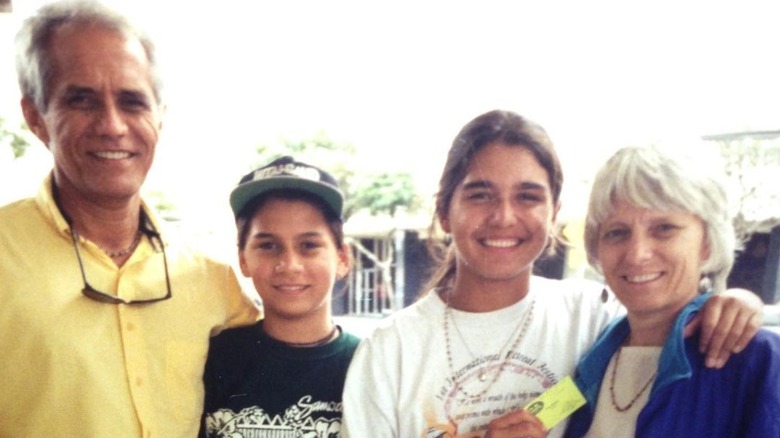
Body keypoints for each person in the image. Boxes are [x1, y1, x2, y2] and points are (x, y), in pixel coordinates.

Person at [341, 110, 763, 438]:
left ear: (554, 214)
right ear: (444, 213)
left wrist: (735, 302)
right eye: (480, 194)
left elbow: (667, 310)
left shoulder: (592, 319)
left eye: (528, 196)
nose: (504, 217)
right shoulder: (390, 349)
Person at [0, 1, 260, 436]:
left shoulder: (213, 282)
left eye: (132, 101)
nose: (112, 125)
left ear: (160, 116)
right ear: (35, 117)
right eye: (81, 100)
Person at [564, 145, 780, 437]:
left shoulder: (757, 360)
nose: (637, 253)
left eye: (664, 228)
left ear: (707, 243)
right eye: (617, 232)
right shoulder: (593, 356)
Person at [200, 156, 360, 437]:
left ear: (342, 258)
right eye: (268, 245)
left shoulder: (369, 362)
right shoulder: (213, 359)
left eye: (309, 245)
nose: (289, 265)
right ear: (243, 260)